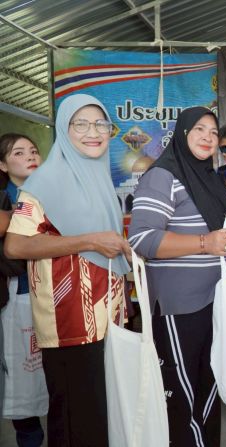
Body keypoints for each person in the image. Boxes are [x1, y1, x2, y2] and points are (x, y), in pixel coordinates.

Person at [4, 94, 131, 447]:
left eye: (101, 124)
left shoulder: (97, 177)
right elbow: (16, 245)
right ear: (64, 129)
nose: (93, 132)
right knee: (77, 420)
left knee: (102, 415)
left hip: (107, 317)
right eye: (81, 124)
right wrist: (89, 241)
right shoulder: (43, 183)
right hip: (69, 322)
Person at [128, 107, 226, 446]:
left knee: (209, 386)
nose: (208, 137)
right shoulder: (162, 176)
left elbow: (218, 232)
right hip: (180, 306)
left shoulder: (208, 177)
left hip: (214, 301)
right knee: (182, 394)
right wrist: (205, 243)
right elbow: (142, 239)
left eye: (213, 132)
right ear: (182, 133)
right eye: (199, 129)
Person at [0, 133, 47, 446]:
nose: (30, 156)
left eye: (33, 150)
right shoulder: (4, 199)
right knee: (22, 374)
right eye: (18, 153)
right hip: (18, 297)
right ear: (3, 165)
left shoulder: (54, 192)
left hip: (57, 295)